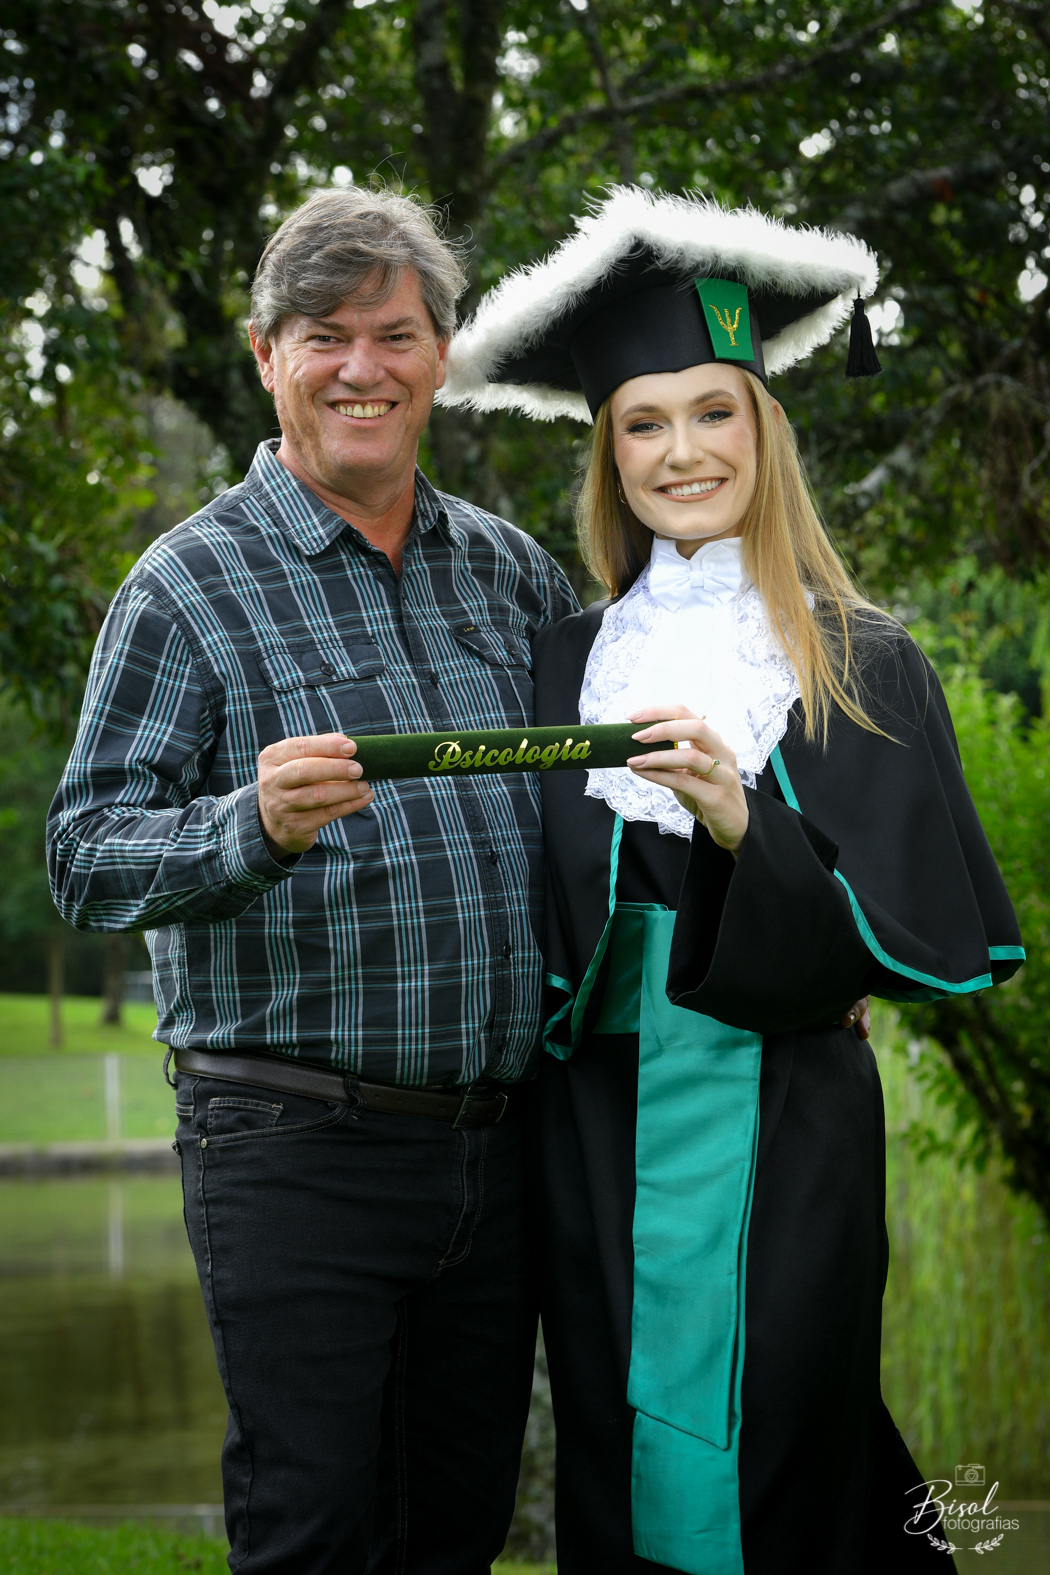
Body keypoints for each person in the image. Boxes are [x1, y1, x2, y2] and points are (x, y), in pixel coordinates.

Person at [438, 187, 1024, 1574]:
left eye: (714, 412)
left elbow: (908, 940)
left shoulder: (859, 661)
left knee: (782, 1435)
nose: (681, 450)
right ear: (607, 452)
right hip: (593, 1128)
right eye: (643, 422)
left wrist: (734, 823)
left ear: (764, 429)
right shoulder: (557, 664)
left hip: (788, 1116)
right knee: (613, 1423)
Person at [47, 186, 578, 1574]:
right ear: (264, 352)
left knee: (452, 1528)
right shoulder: (188, 588)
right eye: (324, 334)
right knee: (316, 1531)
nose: (363, 367)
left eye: (395, 334)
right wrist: (248, 828)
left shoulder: (508, 576)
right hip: (294, 1145)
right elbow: (86, 856)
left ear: (440, 354)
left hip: (495, 1142)